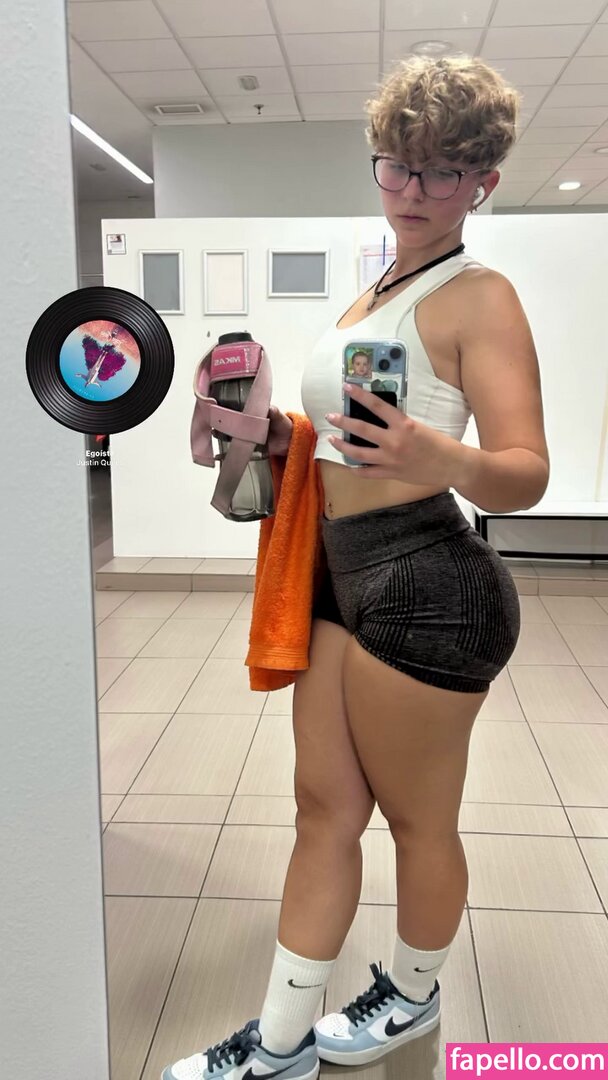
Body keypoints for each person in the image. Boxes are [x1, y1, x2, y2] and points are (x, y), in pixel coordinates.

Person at [163, 54, 550, 1080]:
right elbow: (345, 446)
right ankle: (279, 1042)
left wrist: (438, 455)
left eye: (442, 170)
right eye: (398, 165)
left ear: (482, 182)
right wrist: (273, 438)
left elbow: (524, 473)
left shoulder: (481, 297)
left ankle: (413, 1000)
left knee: (419, 823)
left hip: (433, 586)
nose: (414, 191)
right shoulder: (374, 292)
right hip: (339, 573)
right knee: (323, 813)